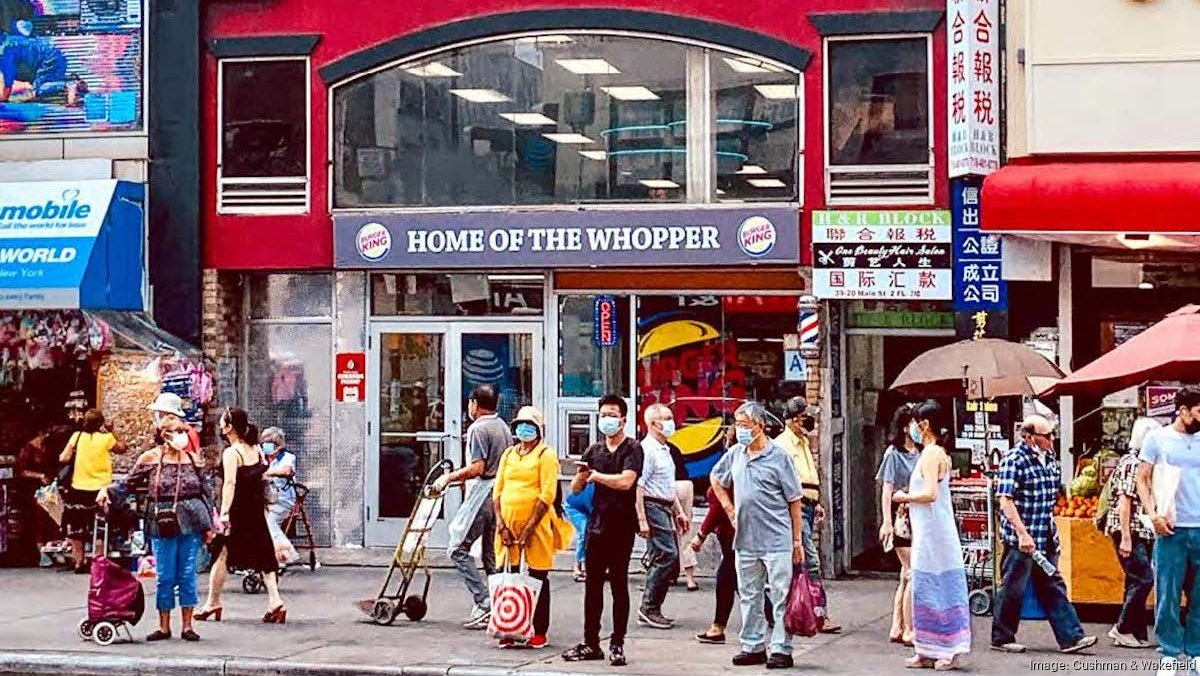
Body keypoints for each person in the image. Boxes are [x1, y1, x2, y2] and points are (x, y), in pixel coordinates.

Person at [97, 417, 212, 642]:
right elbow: (128, 484)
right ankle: (164, 625)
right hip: (161, 521)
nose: (182, 434)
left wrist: (211, 524)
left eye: (183, 430)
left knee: (187, 574)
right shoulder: (150, 458)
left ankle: (188, 625)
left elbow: (205, 491)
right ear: (164, 434)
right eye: (176, 430)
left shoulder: (192, 458)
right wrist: (107, 491)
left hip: (191, 521)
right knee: (165, 575)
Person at [710, 401, 804, 670]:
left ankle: (781, 648)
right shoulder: (736, 453)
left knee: (779, 595)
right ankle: (752, 645)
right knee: (750, 594)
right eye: (737, 425)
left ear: (760, 426)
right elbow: (717, 479)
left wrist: (797, 540)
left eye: (744, 425)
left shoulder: (779, 457)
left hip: (776, 538)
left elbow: (795, 500)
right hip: (745, 539)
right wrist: (729, 509)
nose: (740, 430)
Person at [991, 414, 1096, 655]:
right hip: (1023, 537)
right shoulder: (1014, 460)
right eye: (1046, 436)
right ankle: (1001, 636)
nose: (1052, 439)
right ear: (1029, 437)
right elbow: (1006, 501)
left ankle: (1071, 637)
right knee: (1013, 587)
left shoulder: (1049, 458)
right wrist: (1022, 534)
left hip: (1045, 533)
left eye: (1052, 434)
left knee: (1052, 584)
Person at [562, 394, 642, 667]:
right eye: (603, 415)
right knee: (592, 586)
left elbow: (626, 482)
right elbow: (575, 489)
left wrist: (597, 477)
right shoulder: (593, 451)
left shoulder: (632, 449)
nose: (607, 420)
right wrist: (583, 475)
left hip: (621, 527)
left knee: (619, 584)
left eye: (612, 415)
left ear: (623, 419)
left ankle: (617, 642)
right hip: (596, 526)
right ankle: (591, 642)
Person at [892, 401, 971, 670]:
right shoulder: (932, 453)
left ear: (923, 425)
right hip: (927, 532)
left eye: (915, 423)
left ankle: (948, 648)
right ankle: (925, 647)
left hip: (935, 533)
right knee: (924, 586)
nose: (912, 428)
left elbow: (929, 494)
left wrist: (904, 496)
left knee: (940, 587)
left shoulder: (931, 455)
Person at [197, 408, 287, 624]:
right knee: (264, 552)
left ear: (229, 427)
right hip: (255, 508)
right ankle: (275, 600)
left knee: (221, 553)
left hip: (237, 509)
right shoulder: (255, 449)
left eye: (222, 423)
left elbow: (230, 483)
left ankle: (212, 602)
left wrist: (225, 512)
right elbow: (262, 475)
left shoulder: (232, 453)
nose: (219, 426)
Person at [434, 384, 512, 630]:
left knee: (457, 549)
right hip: (499, 493)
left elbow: (478, 468)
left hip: (484, 495)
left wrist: (448, 478)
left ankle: (484, 601)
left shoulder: (479, 428)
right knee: (490, 554)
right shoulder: (503, 427)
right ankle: (500, 603)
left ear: (474, 404)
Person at [492, 405, 569, 649]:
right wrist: (502, 524)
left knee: (536, 577)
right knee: (510, 576)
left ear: (539, 430)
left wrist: (527, 529)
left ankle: (538, 630)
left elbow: (547, 493)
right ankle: (510, 627)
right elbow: (498, 490)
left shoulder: (546, 455)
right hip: (507, 527)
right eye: (521, 425)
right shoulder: (509, 454)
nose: (525, 429)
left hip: (535, 528)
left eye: (530, 425)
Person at [1138, 387, 1200, 674]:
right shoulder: (1157, 439)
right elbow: (1142, 479)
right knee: (1168, 594)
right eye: (1199, 411)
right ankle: (1170, 653)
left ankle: (1197, 650)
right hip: (1171, 529)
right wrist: (1152, 515)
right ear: (1183, 410)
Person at [775, 396, 841, 634]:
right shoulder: (782, 445)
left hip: (809, 505)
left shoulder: (803, 442)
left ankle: (800, 608)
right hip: (796, 508)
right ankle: (818, 613)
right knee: (809, 561)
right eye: (804, 417)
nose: (809, 421)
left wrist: (817, 501)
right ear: (793, 420)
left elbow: (809, 476)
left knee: (800, 562)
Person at [1104, 416, 1160, 649]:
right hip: (1130, 529)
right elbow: (1124, 502)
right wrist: (1125, 537)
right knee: (1144, 579)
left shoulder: (1142, 462)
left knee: (1135, 579)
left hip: (1142, 529)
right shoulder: (1132, 464)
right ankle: (1122, 628)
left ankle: (1136, 633)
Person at [635, 403, 690, 630]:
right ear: (652, 424)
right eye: (665, 419)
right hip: (652, 506)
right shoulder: (647, 450)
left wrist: (679, 512)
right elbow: (639, 486)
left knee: (666, 555)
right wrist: (641, 519)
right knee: (667, 554)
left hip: (665, 505)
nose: (670, 423)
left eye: (670, 418)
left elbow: (667, 485)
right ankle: (648, 606)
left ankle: (652, 606)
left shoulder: (665, 450)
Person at [59, 409, 127, 573]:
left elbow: (63, 458)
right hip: (101, 488)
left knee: (76, 526)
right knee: (101, 524)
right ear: (101, 423)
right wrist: (113, 431)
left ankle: (79, 562)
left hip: (78, 486)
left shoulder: (77, 436)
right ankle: (98, 561)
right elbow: (122, 448)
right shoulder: (106, 438)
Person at [876, 403, 921, 645]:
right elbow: (887, 489)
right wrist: (886, 521)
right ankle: (907, 628)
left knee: (906, 575)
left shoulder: (924, 452)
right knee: (911, 570)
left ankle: (897, 624)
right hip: (902, 517)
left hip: (920, 516)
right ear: (905, 427)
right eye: (915, 423)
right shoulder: (893, 454)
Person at [17, 424, 69, 566]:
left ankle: (55, 548)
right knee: (39, 519)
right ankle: (41, 552)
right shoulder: (28, 449)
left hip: (50, 487)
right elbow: (22, 470)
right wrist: (39, 475)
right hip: (34, 488)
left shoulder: (49, 447)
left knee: (55, 517)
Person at [260, 427, 300, 567]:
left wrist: (268, 473)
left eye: (269, 443)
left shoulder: (288, 457)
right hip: (265, 499)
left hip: (282, 500)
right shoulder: (262, 458)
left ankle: (284, 554)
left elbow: (287, 470)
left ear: (278, 445)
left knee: (269, 522)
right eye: (264, 443)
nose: (265, 446)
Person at [671, 444, 700, 592]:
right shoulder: (674, 447)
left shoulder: (651, 447)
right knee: (685, 533)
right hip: (686, 484)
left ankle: (668, 574)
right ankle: (690, 579)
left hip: (670, 486)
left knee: (664, 534)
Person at [563, 483, 594, 582]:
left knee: (588, 534)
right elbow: (590, 505)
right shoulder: (594, 486)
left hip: (582, 508)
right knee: (584, 535)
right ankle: (578, 567)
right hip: (574, 508)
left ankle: (584, 566)